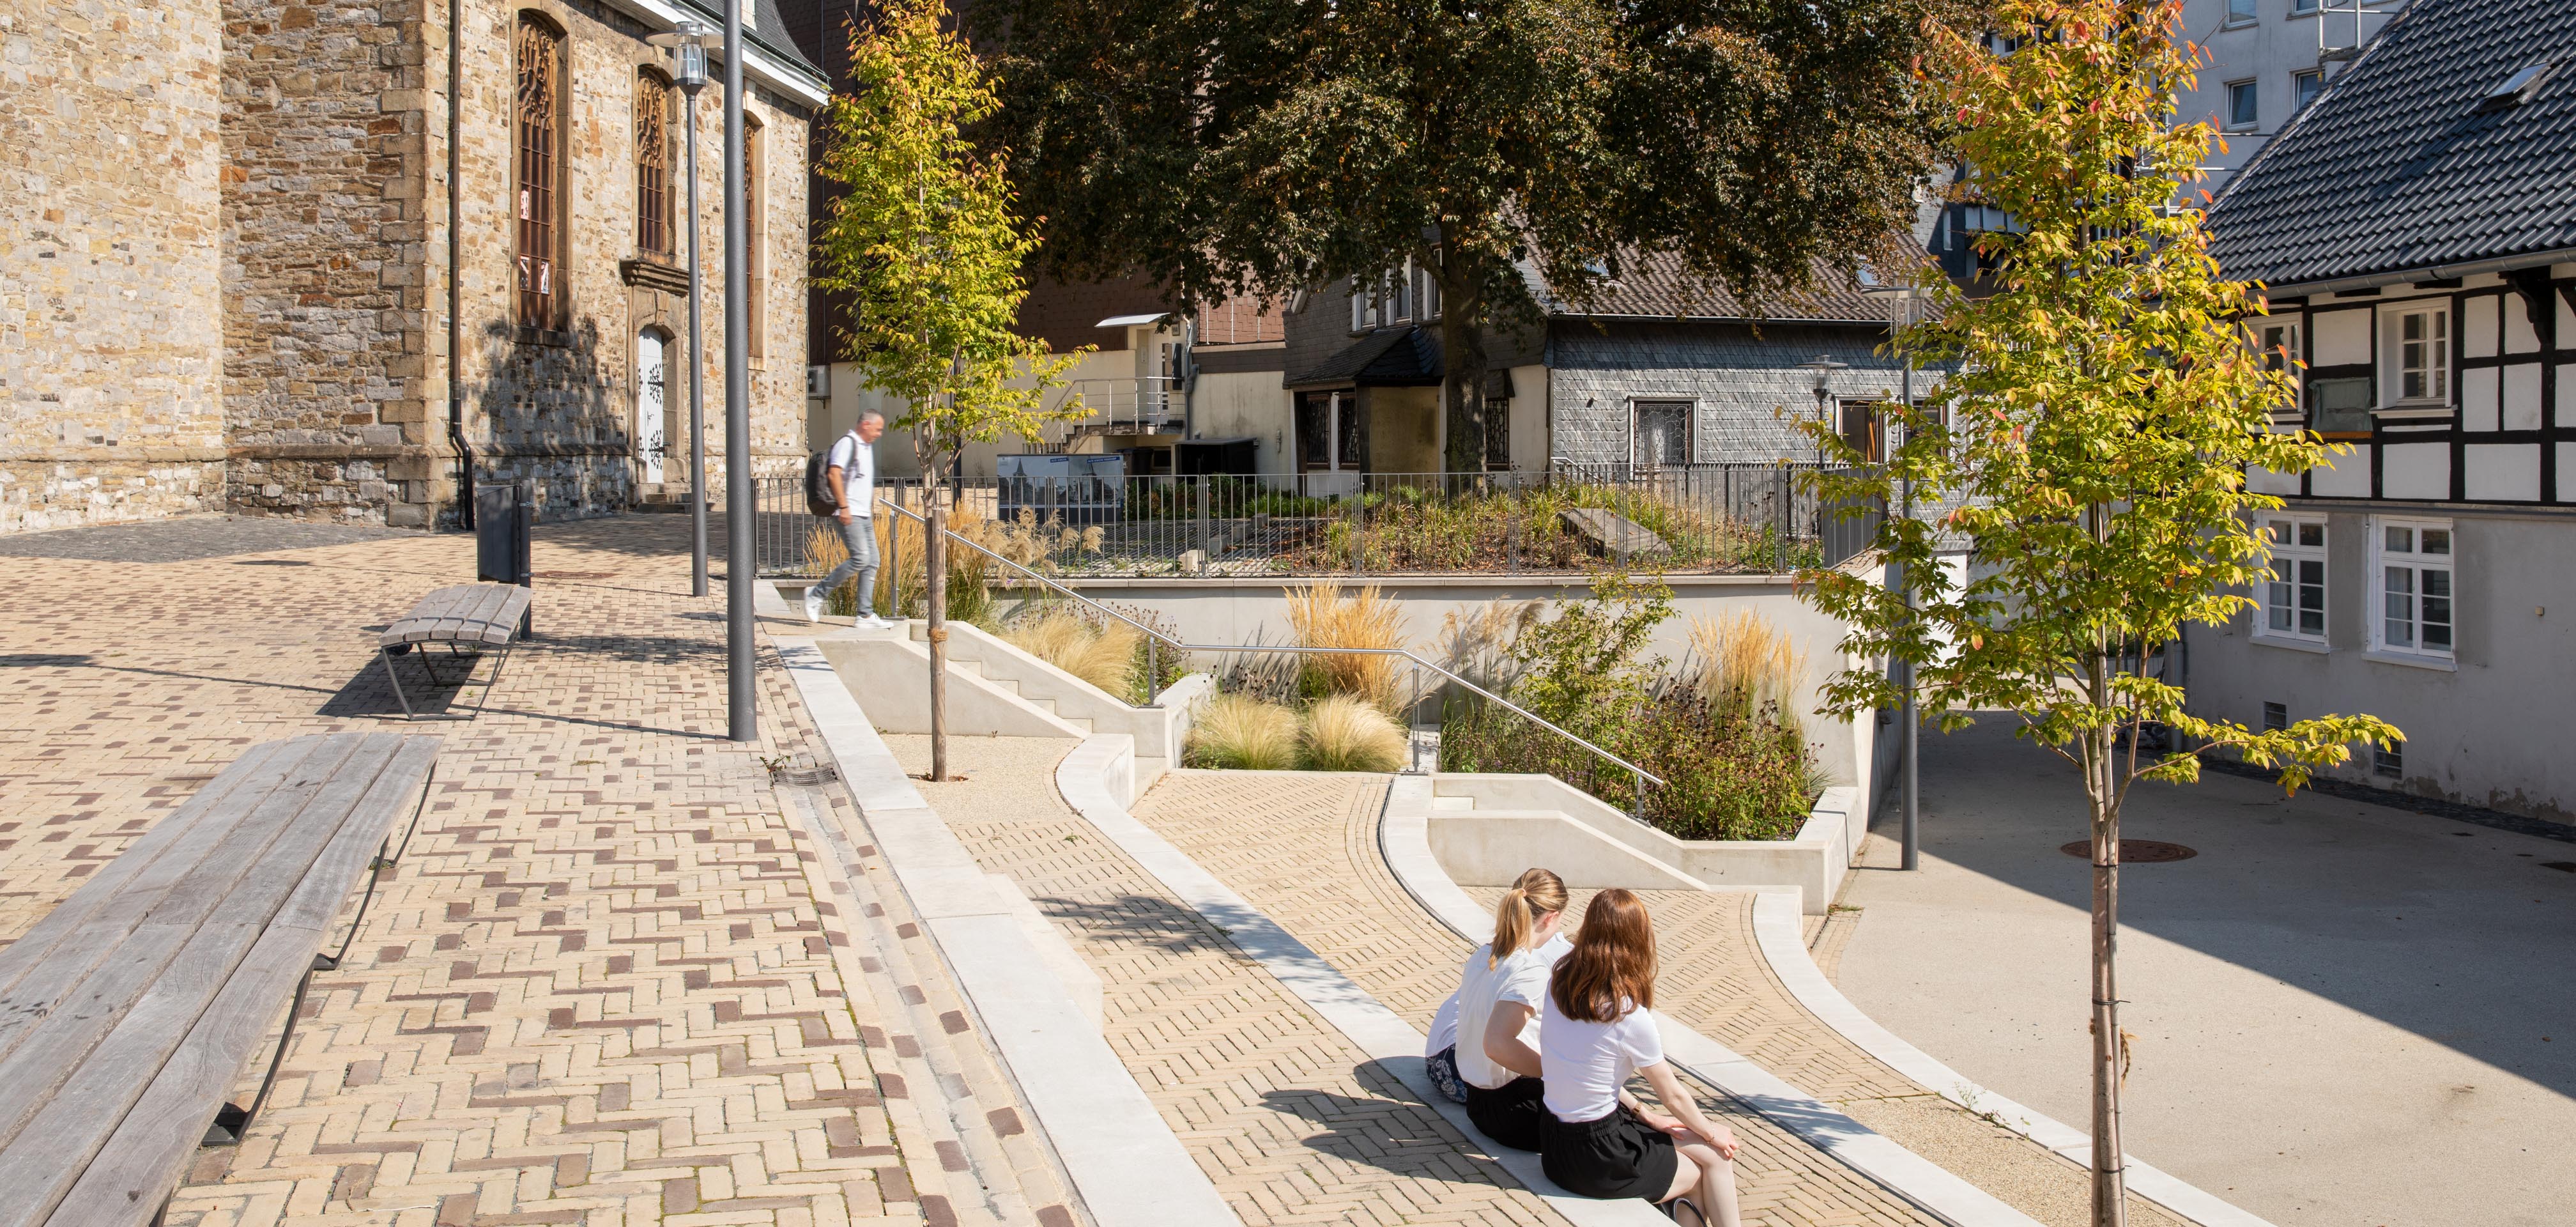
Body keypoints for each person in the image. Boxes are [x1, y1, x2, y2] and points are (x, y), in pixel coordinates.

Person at [1540, 888, 1742, 1227]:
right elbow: (1673, 1094)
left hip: (1556, 1146)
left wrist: (1643, 1113)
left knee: (1696, 1147)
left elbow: (1587, 1073)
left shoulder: (1559, 981)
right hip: (1599, 1157)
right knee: (1714, 1159)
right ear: (1637, 939)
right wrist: (1710, 1133)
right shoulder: (1627, 1015)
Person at [1450, 867, 1571, 1152]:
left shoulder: (1484, 956)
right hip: (1517, 1111)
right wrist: (1556, 1072)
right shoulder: (1529, 971)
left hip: (1477, 1104)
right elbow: (1497, 1044)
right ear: (1551, 918)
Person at [806, 412, 889, 626]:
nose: (879, 434)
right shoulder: (848, 443)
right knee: (861, 558)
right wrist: (844, 507)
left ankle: (865, 615)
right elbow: (834, 473)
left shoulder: (865, 447)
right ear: (866, 424)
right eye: (878, 429)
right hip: (848, 511)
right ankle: (817, 593)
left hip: (863, 513)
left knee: (872, 561)